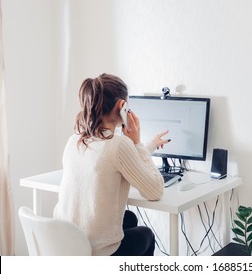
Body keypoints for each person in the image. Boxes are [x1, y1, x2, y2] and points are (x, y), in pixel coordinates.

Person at [53, 73, 169, 256]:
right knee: (146, 235)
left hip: (68, 245)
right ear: (122, 106)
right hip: (96, 253)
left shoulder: (74, 141)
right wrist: (136, 142)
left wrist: (151, 145)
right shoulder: (119, 145)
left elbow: (119, 160)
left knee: (129, 218)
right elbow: (155, 191)